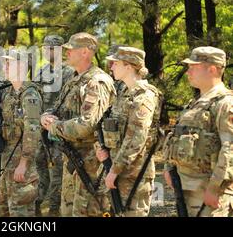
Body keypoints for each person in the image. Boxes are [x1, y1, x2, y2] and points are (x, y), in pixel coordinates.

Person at [41, 32, 115, 217]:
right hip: (72, 158)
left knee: (89, 211)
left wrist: (55, 126)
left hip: (91, 163)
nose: (66, 53)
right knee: (67, 211)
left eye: (70, 50)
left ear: (84, 52)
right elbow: (54, 109)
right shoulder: (73, 80)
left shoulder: (96, 81)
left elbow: (87, 124)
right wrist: (45, 117)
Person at [163, 46, 233, 217]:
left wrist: (215, 188)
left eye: (194, 67)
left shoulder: (225, 103)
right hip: (185, 188)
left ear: (212, 69)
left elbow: (229, 148)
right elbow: (175, 138)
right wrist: (168, 168)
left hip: (209, 194)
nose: (188, 72)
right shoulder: (194, 103)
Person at [96, 46, 161, 216]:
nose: (111, 67)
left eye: (115, 63)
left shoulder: (144, 96)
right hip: (118, 170)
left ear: (129, 66)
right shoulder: (125, 93)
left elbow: (136, 140)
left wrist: (114, 170)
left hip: (134, 174)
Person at [0, 49, 42, 216]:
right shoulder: (7, 94)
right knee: (3, 211)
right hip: (5, 161)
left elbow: (32, 131)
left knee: (20, 212)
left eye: (10, 63)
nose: (5, 66)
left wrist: (24, 162)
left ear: (22, 66)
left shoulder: (29, 95)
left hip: (21, 163)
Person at [35, 35, 74, 216]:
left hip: (59, 129)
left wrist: (54, 121)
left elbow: (71, 102)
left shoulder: (69, 72)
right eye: (45, 48)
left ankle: (54, 210)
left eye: (50, 48)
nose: (47, 51)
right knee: (39, 167)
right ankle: (38, 203)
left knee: (58, 170)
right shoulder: (41, 72)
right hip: (41, 129)